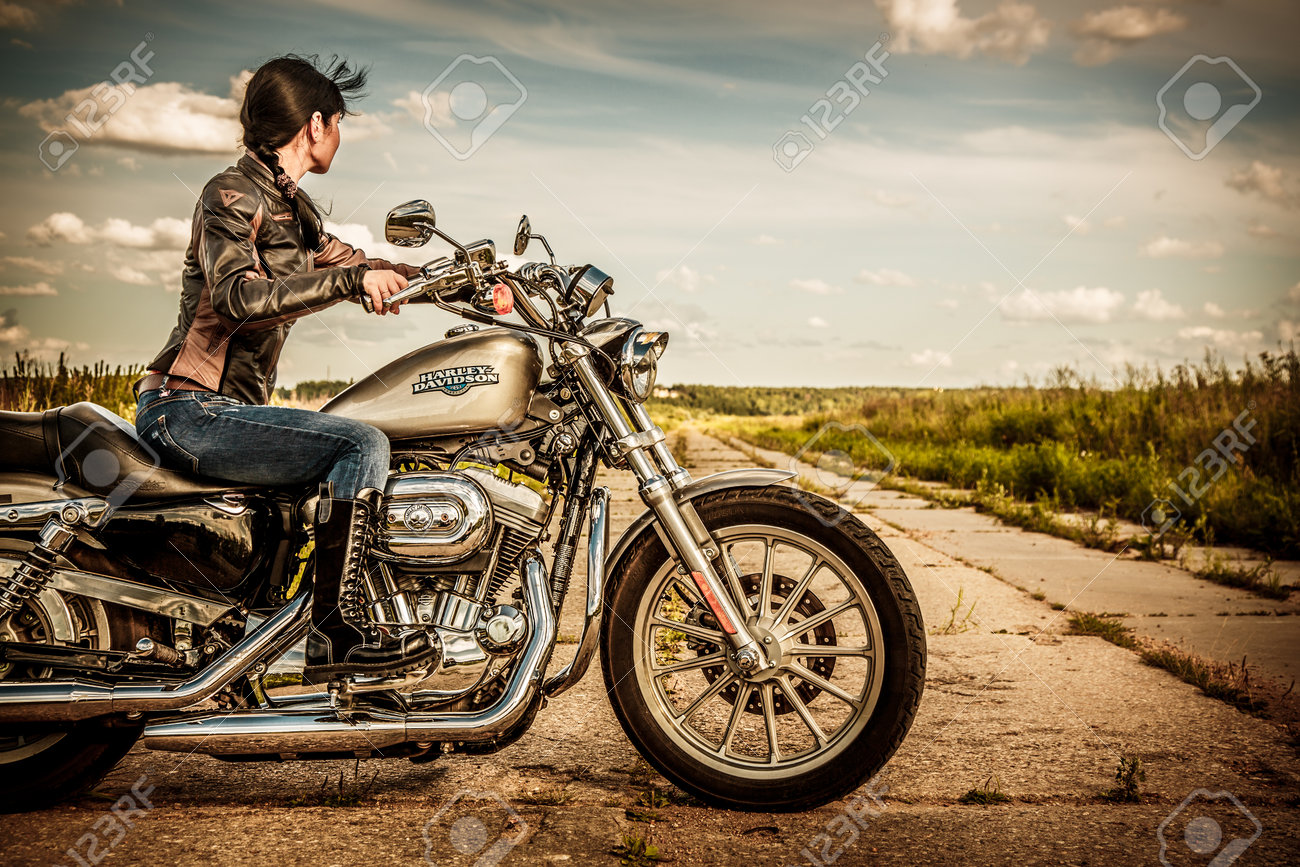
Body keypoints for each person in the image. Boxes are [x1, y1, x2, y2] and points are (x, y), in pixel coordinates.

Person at [133, 55, 434, 681]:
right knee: (360, 444)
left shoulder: (293, 210)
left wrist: (459, 283)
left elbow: (359, 263)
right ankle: (335, 637)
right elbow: (239, 297)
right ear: (316, 124)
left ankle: (276, 631)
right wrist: (353, 279)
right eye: (341, 122)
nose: (341, 137)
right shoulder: (231, 195)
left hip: (227, 412)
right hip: (187, 409)